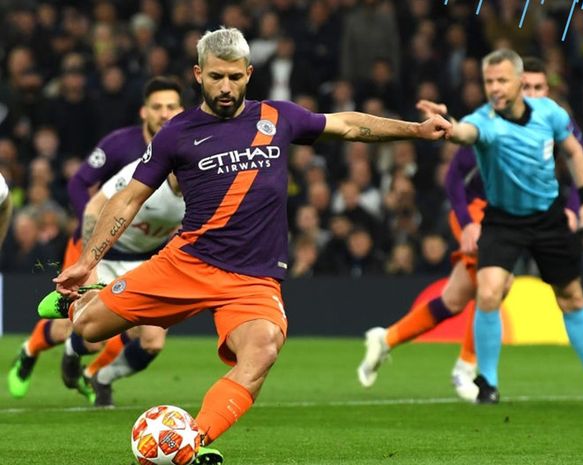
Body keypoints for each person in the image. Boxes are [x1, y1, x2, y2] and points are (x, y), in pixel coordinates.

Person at [38, 27, 450, 464]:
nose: (226, 87)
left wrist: (417, 130)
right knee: (86, 329)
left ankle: (191, 442)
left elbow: (347, 125)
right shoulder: (176, 133)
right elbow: (128, 198)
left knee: (262, 350)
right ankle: (84, 302)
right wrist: (87, 262)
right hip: (187, 264)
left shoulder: (278, 116)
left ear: (249, 73)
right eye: (216, 77)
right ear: (198, 74)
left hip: (252, 280)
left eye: (235, 77)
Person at [357, 57, 583, 401]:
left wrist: (575, 208)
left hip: (520, 214)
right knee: (498, 282)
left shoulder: (554, 120)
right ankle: (466, 369)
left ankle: (386, 339)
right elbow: (455, 179)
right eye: (528, 87)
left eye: (540, 88)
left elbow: (574, 165)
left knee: (454, 299)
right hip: (480, 211)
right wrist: (466, 224)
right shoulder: (490, 122)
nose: (534, 93)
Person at [412, 49, 583, 404]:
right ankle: (488, 384)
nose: (495, 88)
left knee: (572, 298)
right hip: (503, 219)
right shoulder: (484, 121)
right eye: (489, 81)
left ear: (518, 82)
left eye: (502, 80)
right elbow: (465, 134)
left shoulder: (550, 114)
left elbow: (574, 152)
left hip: (547, 217)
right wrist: (449, 125)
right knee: (488, 291)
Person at [7, 77, 183, 401]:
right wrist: (91, 250)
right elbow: (79, 184)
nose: (165, 113)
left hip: (144, 253)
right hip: (95, 243)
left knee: (140, 336)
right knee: (76, 330)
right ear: (144, 112)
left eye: (171, 106)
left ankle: (94, 377)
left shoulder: (189, 156)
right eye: (157, 107)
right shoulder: (121, 146)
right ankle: (29, 352)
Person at [62, 158, 185, 407]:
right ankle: (71, 351)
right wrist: (90, 264)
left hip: (147, 262)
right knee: (91, 338)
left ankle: (101, 378)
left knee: (152, 342)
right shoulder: (145, 171)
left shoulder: (206, 188)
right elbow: (94, 208)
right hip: (107, 256)